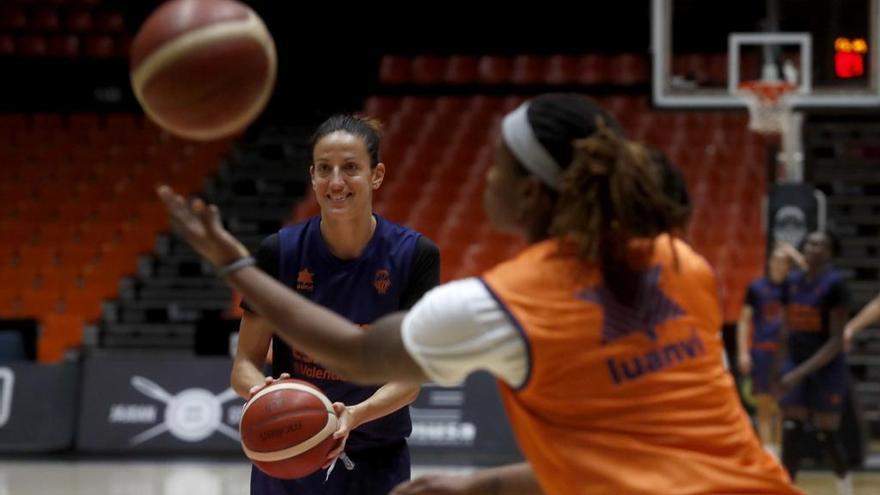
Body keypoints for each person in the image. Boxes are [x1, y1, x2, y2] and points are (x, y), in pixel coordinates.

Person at [158, 93, 800, 494]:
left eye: (498, 163)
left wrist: (234, 264)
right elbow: (632, 460)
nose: (486, 175)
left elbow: (355, 356)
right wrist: (479, 488)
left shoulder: (508, 301)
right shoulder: (680, 262)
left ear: (532, 191)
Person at [231, 114, 440, 494]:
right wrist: (263, 391)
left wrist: (352, 417)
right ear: (312, 176)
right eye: (324, 169)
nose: (336, 182)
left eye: (351, 168)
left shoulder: (415, 255)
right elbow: (244, 364)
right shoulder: (279, 252)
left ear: (376, 175)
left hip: (376, 458)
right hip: (287, 452)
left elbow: (410, 378)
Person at [775, 231, 853, 495]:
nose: (814, 247)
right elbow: (786, 328)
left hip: (827, 366)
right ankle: (786, 488)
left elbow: (836, 341)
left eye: (822, 244)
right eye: (810, 242)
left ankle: (845, 486)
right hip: (795, 362)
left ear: (830, 252)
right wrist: (780, 366)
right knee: (791, 428)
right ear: (803, 248)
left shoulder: (835, 285)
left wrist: (798, 373)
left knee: (827, 432)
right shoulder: (792, 282)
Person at [736, 243, 803, 455]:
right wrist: (743, 352)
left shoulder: (794, 286)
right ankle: (768, 454)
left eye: (784, 261)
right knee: (764, 405)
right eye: (776, 259)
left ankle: (781, 452)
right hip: (762, 351)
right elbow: (744, 321)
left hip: (786, 353)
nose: (779, 264)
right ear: (769, 262)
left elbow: (811, 272)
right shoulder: (756, 287)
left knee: (784, 407)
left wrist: (793, 253)